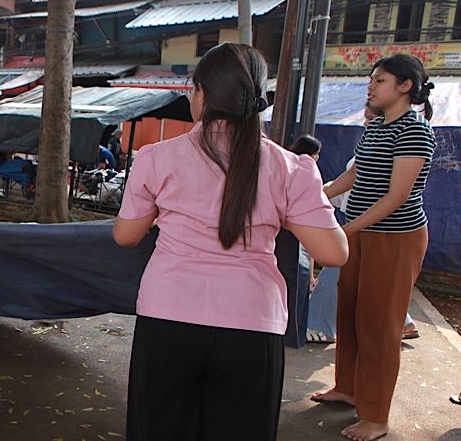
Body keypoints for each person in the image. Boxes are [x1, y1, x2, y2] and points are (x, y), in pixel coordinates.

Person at [113, 43, 348, 440]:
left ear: (200, 93)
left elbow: (125, 235)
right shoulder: (290, 168)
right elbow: (333, 251)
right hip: (253, 326)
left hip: (168, 319)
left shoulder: (157, 158)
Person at [314, 54, 436, 441]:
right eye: (372, 79)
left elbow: (398, 195)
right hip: (362, 233)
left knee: (380, 325)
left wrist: (349, 229)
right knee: (348, 313)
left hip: (395, 238)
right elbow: (355, 173)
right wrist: (317, 194)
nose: (371, 85)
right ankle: (348, 388)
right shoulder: (377, 127)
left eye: (380, 80)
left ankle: (376, 415)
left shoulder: (415, 131)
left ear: (405, 86)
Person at [288, 134, 323, 346]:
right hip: (298, 240)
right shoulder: (307, 174)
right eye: (315, 154)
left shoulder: (283, 165)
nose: (317, 158)